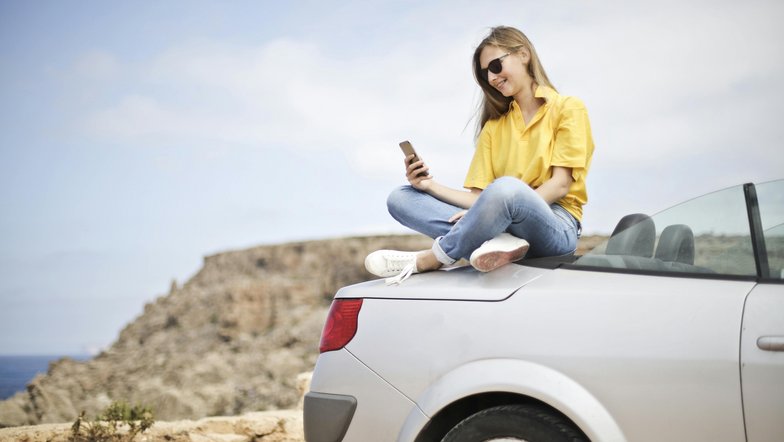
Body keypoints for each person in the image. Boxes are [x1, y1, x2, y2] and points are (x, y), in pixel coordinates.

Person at [365, 26, 594, 284]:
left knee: (507, 189)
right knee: (400, 198)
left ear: (523, 54)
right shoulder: (494, 128)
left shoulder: (568, 108)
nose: (492, 77)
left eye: (495, 66)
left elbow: (560, 184)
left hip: (555, 224)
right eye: (486, 74)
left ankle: (433, 258)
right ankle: (495, 240)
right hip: (499, 219)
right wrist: (429, 186)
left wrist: (495, 211)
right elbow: (478, 199)